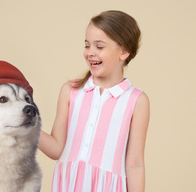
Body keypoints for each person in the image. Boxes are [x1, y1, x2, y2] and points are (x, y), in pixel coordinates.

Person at [39, 10, 150, 192]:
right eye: (87, 45)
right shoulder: (70, 91)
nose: (90, 53)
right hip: (68, 186)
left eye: (99, 47)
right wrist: (23, 127)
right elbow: (56, 149)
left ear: (123, 51)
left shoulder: (136, 101)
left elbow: (135, 164)